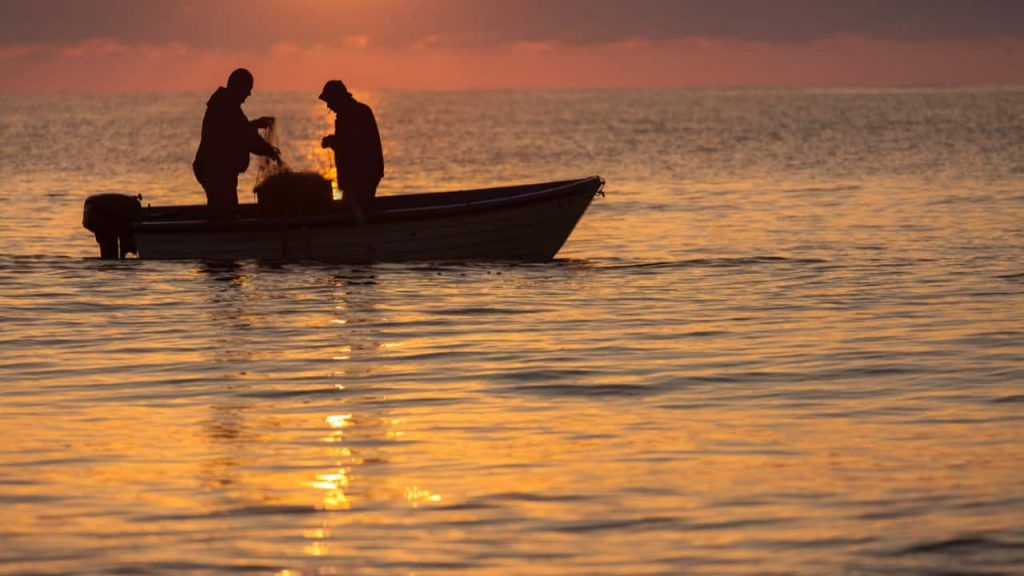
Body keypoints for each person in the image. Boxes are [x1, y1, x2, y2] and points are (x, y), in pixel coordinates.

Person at [193, 68, 281, 219]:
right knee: (224, 212)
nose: (249, 94)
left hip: (220, 171)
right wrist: (257, 126)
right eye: (247, 89)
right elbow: (239, 133)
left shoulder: (229, 106)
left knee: (226, 209)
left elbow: (245, 135)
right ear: (237, 87)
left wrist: (269, 150)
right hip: (215, 170)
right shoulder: (222, 106)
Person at [319, 80, 384, 221]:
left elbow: (350, 146)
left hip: (361, 177)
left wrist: (332, 141)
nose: (328, 105)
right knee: (357, 211)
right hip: (364, 175)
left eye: (329, 101)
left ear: (337, 99)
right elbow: (349, 141)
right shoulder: (357, 112)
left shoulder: (351, 115)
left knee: (356, 215)